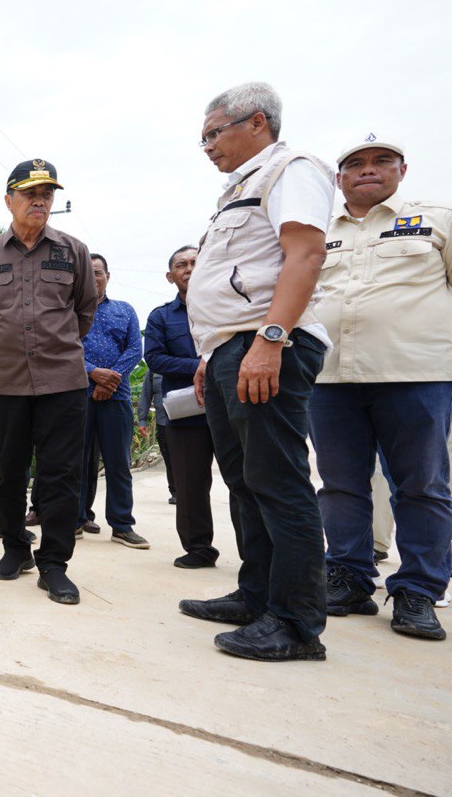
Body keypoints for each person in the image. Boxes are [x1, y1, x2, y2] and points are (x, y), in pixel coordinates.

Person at [178, 82, 334, 662]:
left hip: (265, 344)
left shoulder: (291, 169)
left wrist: (272, 339)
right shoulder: (236, 190)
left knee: (279, 482)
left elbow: (305, 254)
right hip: (228, 350)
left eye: (214, 133)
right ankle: (257, 595)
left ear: (258, 122)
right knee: (245, 483)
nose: (208, 147)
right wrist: (209, 355)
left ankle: (296, 624)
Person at [308, 135, 452, 641]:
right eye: (355, 164)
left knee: (421, 485)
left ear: (402, 170)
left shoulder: (435, 218)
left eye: (381, 161)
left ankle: (417, 590)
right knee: (340, 484)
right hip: (330, 377)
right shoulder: (317, 231)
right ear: (339, 177)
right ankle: (347, 575)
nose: (368, 170)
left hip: (415, 374)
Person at [0, 159, 97, 605]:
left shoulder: (73, 250)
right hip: (3, 382)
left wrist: (56, 347)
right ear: (9, 200)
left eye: (47, 193)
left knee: (61, 474)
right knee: (7, 472)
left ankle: (55, 564)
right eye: (29, 193)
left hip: (62, 381)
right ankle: (15, 549)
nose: (40, 200)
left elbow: (84, 311)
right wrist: (7, 351)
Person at [145, 245, 235, 569]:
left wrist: (210, 364)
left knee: (240, 480)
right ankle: (198, 549)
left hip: (229, 406)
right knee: (190, 484)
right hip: (186, 411)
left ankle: (255, 553)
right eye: (182, 264)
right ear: (171, 276)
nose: (190, 268)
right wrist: (201, 364)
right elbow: (153, 358)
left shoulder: (230, 308)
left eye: (196, 262)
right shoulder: (160, 317)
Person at [78, 254, 147, 548]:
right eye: (87, 273)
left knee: (119, 462)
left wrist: (111, 379)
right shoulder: (69, 314)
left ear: (107, 275)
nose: (93, 278)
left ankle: (121, 525)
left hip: (116, 397)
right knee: (76, 462)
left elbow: (135, 349)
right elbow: (62, 348)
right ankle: (75, 519)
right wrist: (93, 372)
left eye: (98, 272)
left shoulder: (124, 310)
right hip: (78, 396)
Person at [135, 371, 175, 505]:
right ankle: (175, 492)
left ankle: (190, 491)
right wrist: (142, 420)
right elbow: (146, 396)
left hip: (187, 419)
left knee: (186, 458)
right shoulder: (153, 369)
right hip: (163, 422)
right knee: (169, 459)